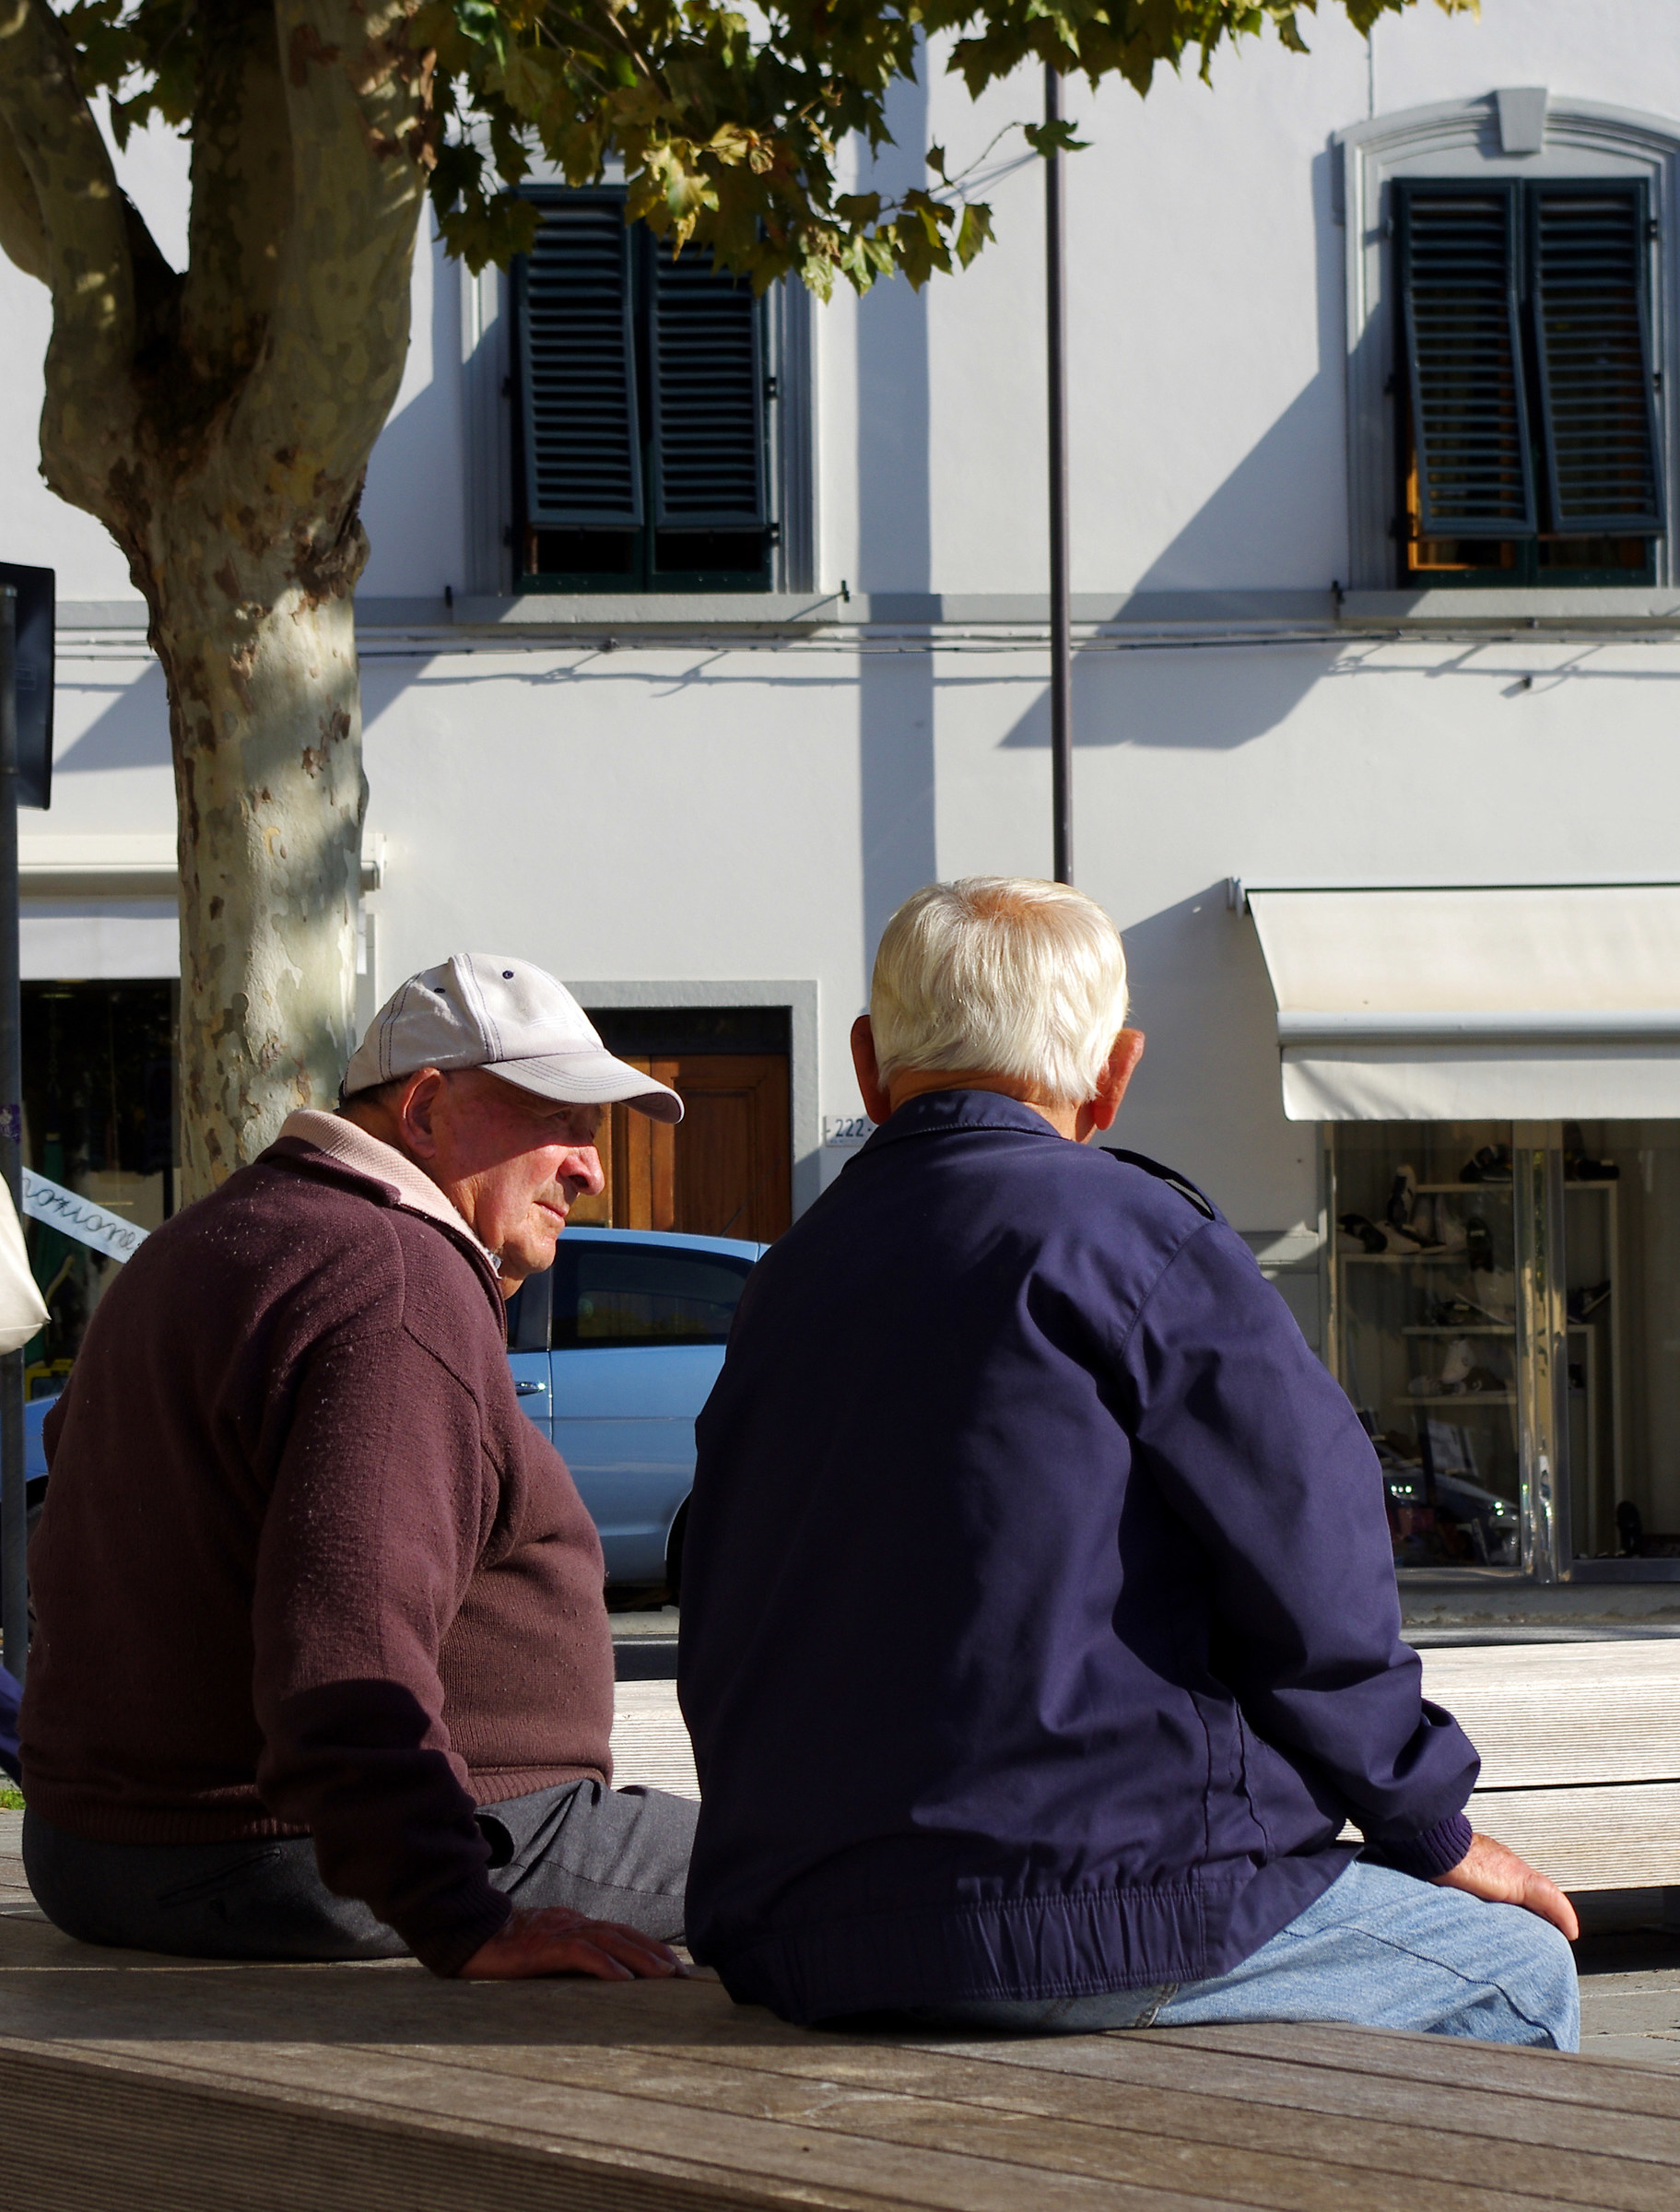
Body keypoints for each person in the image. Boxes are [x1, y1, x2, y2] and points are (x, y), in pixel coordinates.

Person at [678, 878, 1580, 2048]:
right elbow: (1313, 1566)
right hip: (1097, 1915)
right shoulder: (1141, 1241)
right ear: (1113, 1071)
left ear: (866, 1064)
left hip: (799, 1935)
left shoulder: (787, 1280)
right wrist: (1430, 1827)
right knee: (1511, 1969)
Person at [21, 956, 694, 1983]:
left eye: (595, 1133)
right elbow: (348, 1650)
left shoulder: (196, 1242)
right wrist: (458, 1913)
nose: (590, 1168)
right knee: (817, 1859)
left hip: (98, 1855)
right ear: (424, 1110)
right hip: (297, 1861)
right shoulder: (396, 1279)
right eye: (560, 1118)